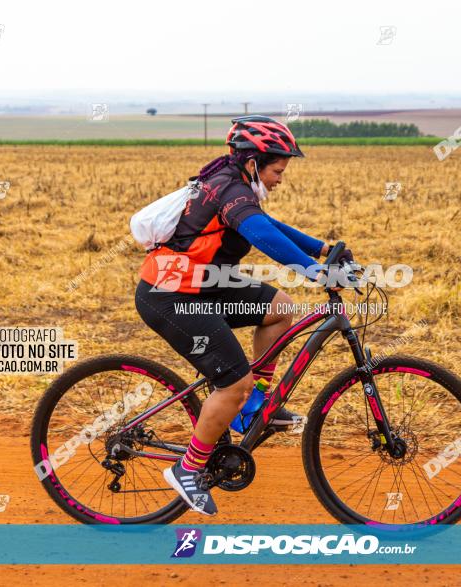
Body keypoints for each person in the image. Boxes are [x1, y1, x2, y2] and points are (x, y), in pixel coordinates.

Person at [134, 115, 353, 516]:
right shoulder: (228, 188)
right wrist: (317, 272)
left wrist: (325, 249)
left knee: (279, 309)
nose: (280, 179)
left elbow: (268, 223)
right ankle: (189, 468)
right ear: (253, 163)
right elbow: (262, 236)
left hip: (199, 286)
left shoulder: (234, 188)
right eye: (277, 170)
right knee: (233, 382)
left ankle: (252, 406)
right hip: (169, 295)